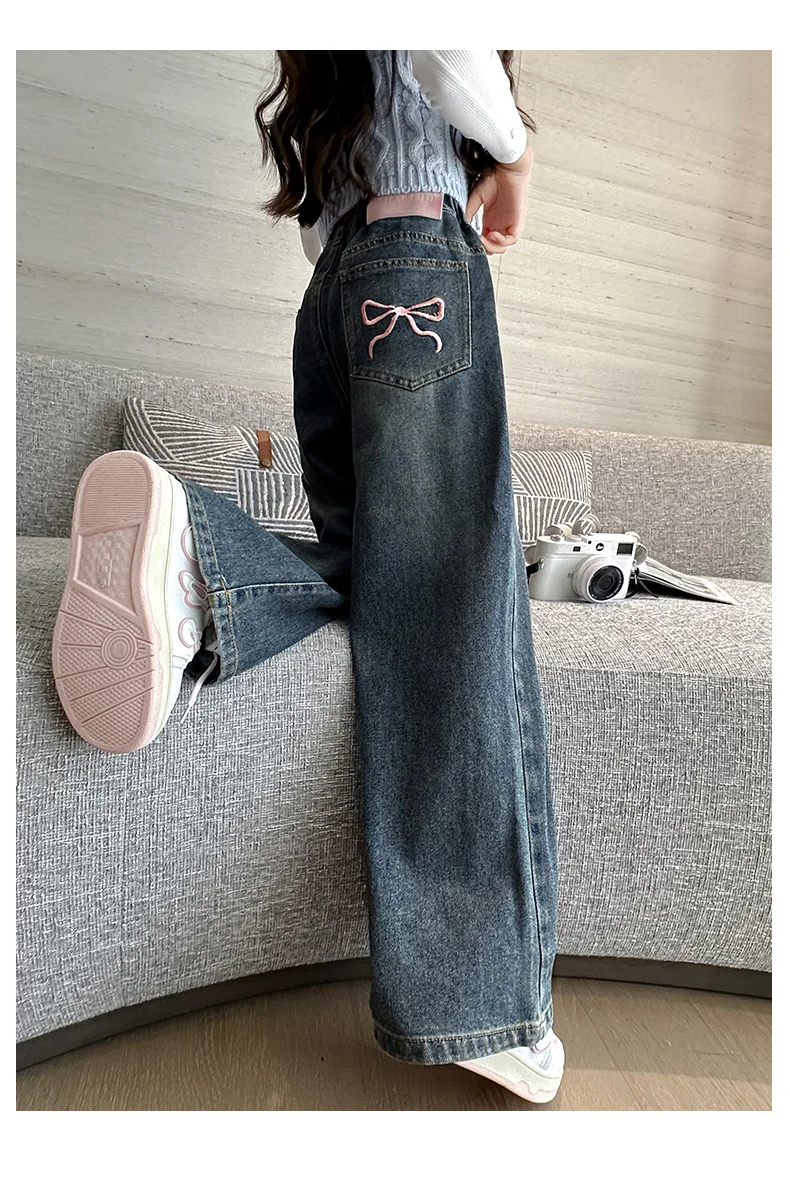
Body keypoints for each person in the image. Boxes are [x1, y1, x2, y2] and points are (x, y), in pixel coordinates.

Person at [51, 50, 564, 1105]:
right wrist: (513, 155)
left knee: (389, 578)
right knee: (450, 616)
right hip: (419, 266)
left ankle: (207, 565)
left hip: (336, 284)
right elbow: (442, 45)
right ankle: (472, 1000)